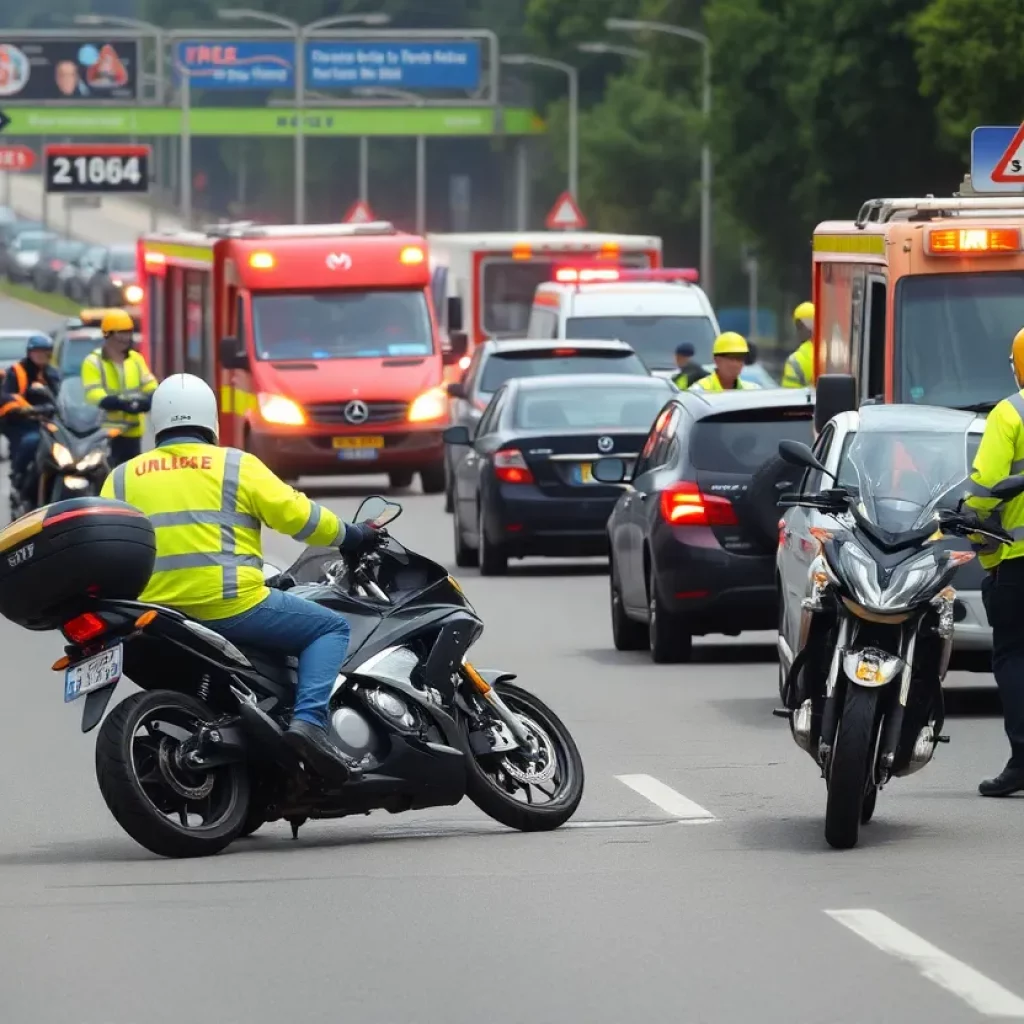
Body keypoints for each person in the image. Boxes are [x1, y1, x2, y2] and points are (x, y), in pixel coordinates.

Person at [100, 374, 382, 783]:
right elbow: (298, 517)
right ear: (210, 419)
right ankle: (309, 725)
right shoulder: (234, 464)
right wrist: (353, 534)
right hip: (230, 606)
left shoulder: (122, 477)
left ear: (157, 421)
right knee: (330, 628)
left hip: (155, 615)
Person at [965, 327, 1024, 797]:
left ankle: (1023, 759)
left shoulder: (1011, 412)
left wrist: (968, 522)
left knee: (1013, 656)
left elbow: (985, 487)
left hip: (1019, 561)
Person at [82, 310, 158, 467]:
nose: (125, 338)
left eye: (128, 333)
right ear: (107, 335)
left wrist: (150, 399)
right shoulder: (93, 362)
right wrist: (119, 403)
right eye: (120, 333)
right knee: (103, 476)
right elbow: (93, 394)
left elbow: (150, 384)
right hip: (104, 433)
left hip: (133, 431)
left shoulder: (136, 359)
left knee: (131, 480)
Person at [0, 334, 60, 501]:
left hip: (51, 422)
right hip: (23, 423)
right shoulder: (16, 372)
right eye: (37, 352)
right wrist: (29, 410)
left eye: (45, 352)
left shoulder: (53, 373)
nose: (41, 355)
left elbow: (63, 397)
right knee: (31, 441)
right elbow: (7, 398)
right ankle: (18, 477)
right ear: (29, 353)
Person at [689, 333, 761, 391]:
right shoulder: (700, 391)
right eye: (731, 358)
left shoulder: (752, 391)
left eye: (739, 358)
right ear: (717, 360)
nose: (735, 364)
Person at [782, 301, 815, 388]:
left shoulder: (796, 360)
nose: (797, 332)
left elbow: (790, 398)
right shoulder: (834, 354)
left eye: (798, 326)